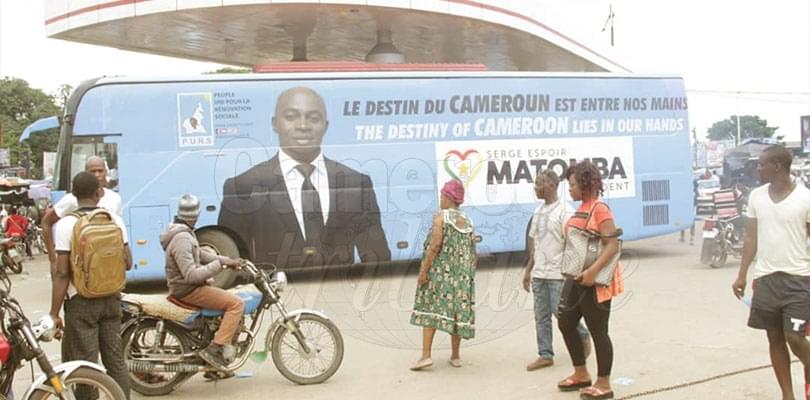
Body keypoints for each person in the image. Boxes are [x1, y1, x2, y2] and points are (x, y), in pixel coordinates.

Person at [218, 86, 390, 269]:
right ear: (275, 124)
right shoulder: (242, 186)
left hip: (341, 295)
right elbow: (232, 263)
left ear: (326, 125)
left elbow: (378, 258)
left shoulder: (357, 184)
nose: (303, 126)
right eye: (291, 117)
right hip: (276, 295)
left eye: (314, 118)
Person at [732, 146, 810, 400]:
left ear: (777, 166)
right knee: (774, 337)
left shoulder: (805, 198)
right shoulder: (756, 197)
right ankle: (788, 395)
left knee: (795, 337)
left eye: (761, 164)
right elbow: (751, 238)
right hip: (765, 280)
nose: (757, 168)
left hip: (799, 279)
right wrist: (742, 273)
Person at [48, 171, 131, 398]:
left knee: (84, 365)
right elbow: (129, 263)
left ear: (73, 195)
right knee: (116, 362)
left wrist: (54, 314)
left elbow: (62, 273)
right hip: (112, 301)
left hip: (81, 303)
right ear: (98, 193)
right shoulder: (114, 220)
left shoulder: (67, 224)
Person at [557, 161, 623, 400]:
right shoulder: (582, 207)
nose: (570, 189)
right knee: (565, 321)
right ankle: (581, 373)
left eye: (573, 184)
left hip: (595, 280)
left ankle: (604, 383)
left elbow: (612, 244)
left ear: (585, 184)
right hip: (576, 276)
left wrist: (593, 272)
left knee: (598, 331)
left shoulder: (599, 208)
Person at [162, 194, 243, 371]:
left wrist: (228, 260)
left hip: (188, 287)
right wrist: (219, 264)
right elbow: (191, 275)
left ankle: (215, 358)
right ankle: (215, 350)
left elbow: (200, 255)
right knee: (236, 304)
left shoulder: (183, 232)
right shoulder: (182, 239)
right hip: (189, 289)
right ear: (196, 214)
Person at [522, 170, 591, 371]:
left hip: (558, 274)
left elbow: (573, 243)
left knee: (560, 313)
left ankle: (582, 334)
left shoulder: (565, 211)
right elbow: (535, 243)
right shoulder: (538, 212)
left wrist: (570, 272)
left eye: (538, 184)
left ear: (551, 185)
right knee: (540, 315)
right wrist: (528, 271)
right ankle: (545, 354)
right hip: (539, 274)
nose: (535, 187)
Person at [410, 180, 476, 370]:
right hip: (462, 277)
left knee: (430, 310)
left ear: (448, 197)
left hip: (439, 274)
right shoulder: (468, 220)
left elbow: (435, 245)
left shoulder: (440, 218)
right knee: (456, 313)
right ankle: (455, 356)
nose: (440, 199)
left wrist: (424, 271)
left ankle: (425, 356)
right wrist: (467, 275)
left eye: (441, 195)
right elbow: (473, 252)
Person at [42, 156, 123, 269]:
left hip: (106, 262)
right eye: (93, 171)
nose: (97, 175)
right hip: (79, 264)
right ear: (86, 173)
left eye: (100, 171)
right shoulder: (72, 199)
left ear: (106, 172)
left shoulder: (115, 199)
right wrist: (53, 259)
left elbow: (118, 231)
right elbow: (46, 223)